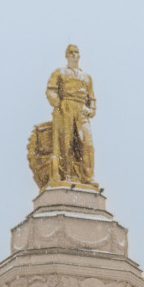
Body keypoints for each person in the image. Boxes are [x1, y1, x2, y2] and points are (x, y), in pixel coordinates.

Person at [45, 45, 97, 186]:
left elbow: (91, 98)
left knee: (87, 144)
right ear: (66, 55)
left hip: (81, 110)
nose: (74, 55)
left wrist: (91, 109)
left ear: (79, 55)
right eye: (71, 52)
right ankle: (66, 174)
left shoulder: (86, 77)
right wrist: (58, 104)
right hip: (66, 106)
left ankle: (88, 177)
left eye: (76, 52)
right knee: (65, 142)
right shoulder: (60, 72)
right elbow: (51, 90)